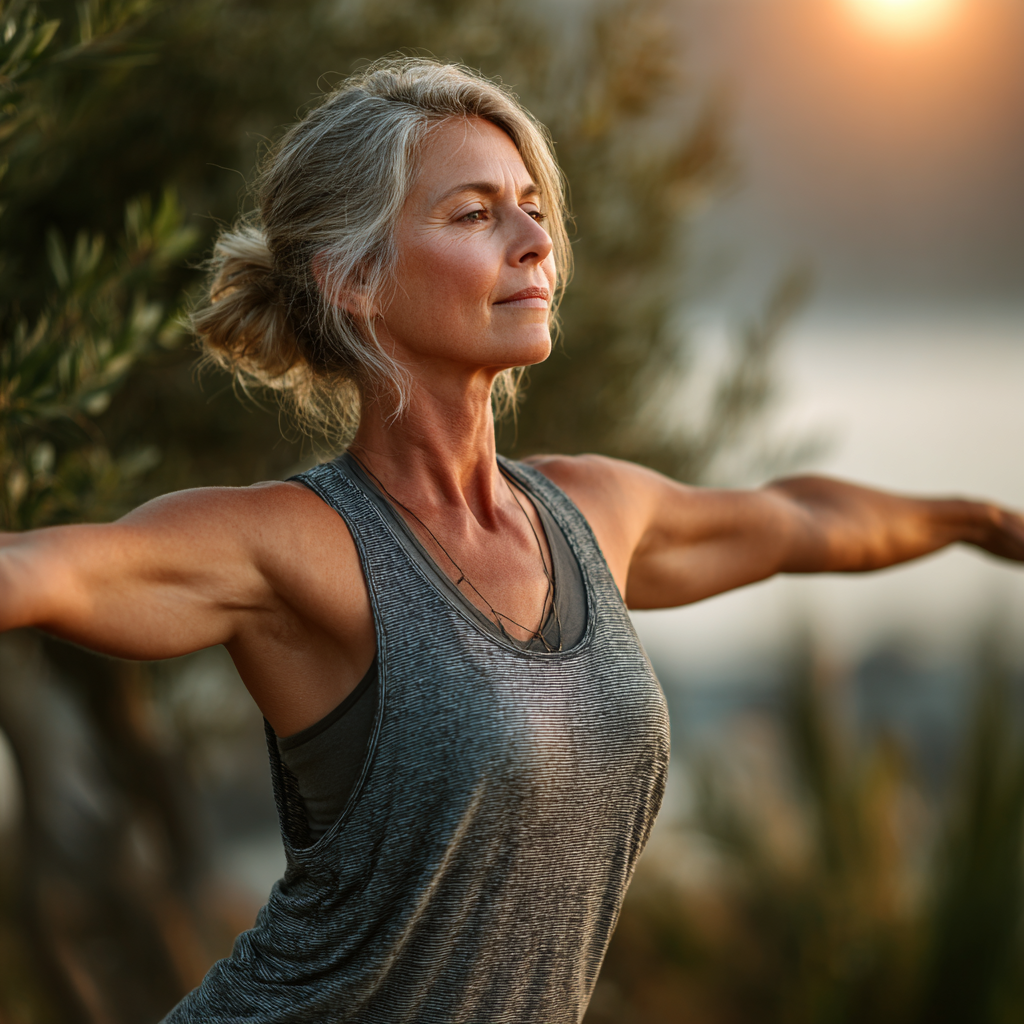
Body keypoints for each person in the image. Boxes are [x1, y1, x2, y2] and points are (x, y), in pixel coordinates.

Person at [1, 57, 1022, 1023]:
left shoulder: (589, 519)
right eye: (475, 213)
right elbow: (37, 573)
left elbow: (799, 523)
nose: (532, 240)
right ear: (353, 279)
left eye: (531, 207)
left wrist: (979, 520)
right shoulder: (298, 546)